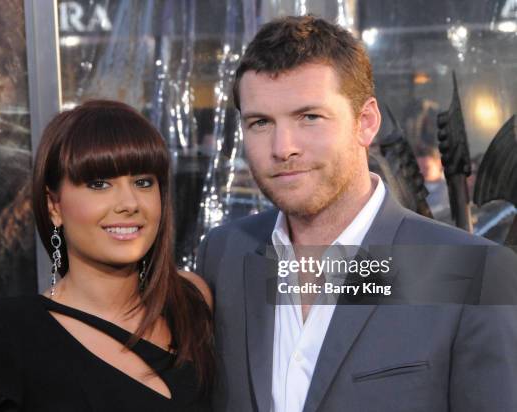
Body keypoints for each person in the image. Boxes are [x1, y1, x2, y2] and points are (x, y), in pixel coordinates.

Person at [196, 16, 517, 412]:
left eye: (309, 117)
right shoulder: (225, 255)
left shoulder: (465, 270)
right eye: (261, 122)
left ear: (366, 123)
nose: (283, 147)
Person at [0, 100, 214, 411]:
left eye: (143, 182)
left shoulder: (189, 300)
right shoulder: (15, 333)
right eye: (99, 184)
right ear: (54, 206)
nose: (129, 202)